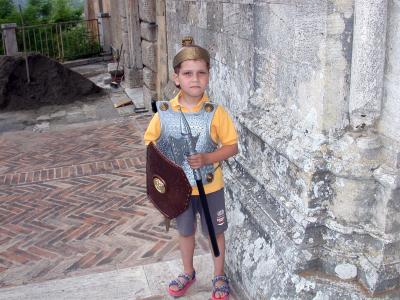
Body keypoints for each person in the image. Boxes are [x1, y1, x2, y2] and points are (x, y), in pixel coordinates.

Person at [144, 37, 238, 300]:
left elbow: (232, 146)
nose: (194, 79)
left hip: (210, 186)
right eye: (187, 73)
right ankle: (188, 271)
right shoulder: (163, 112)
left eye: (201, 73)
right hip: (179, 189)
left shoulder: (216, 113)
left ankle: (219, 275)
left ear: (208, 76)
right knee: (185, 232)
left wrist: (208, 157)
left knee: (215, 231)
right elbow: (151, 145)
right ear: (176, 78)